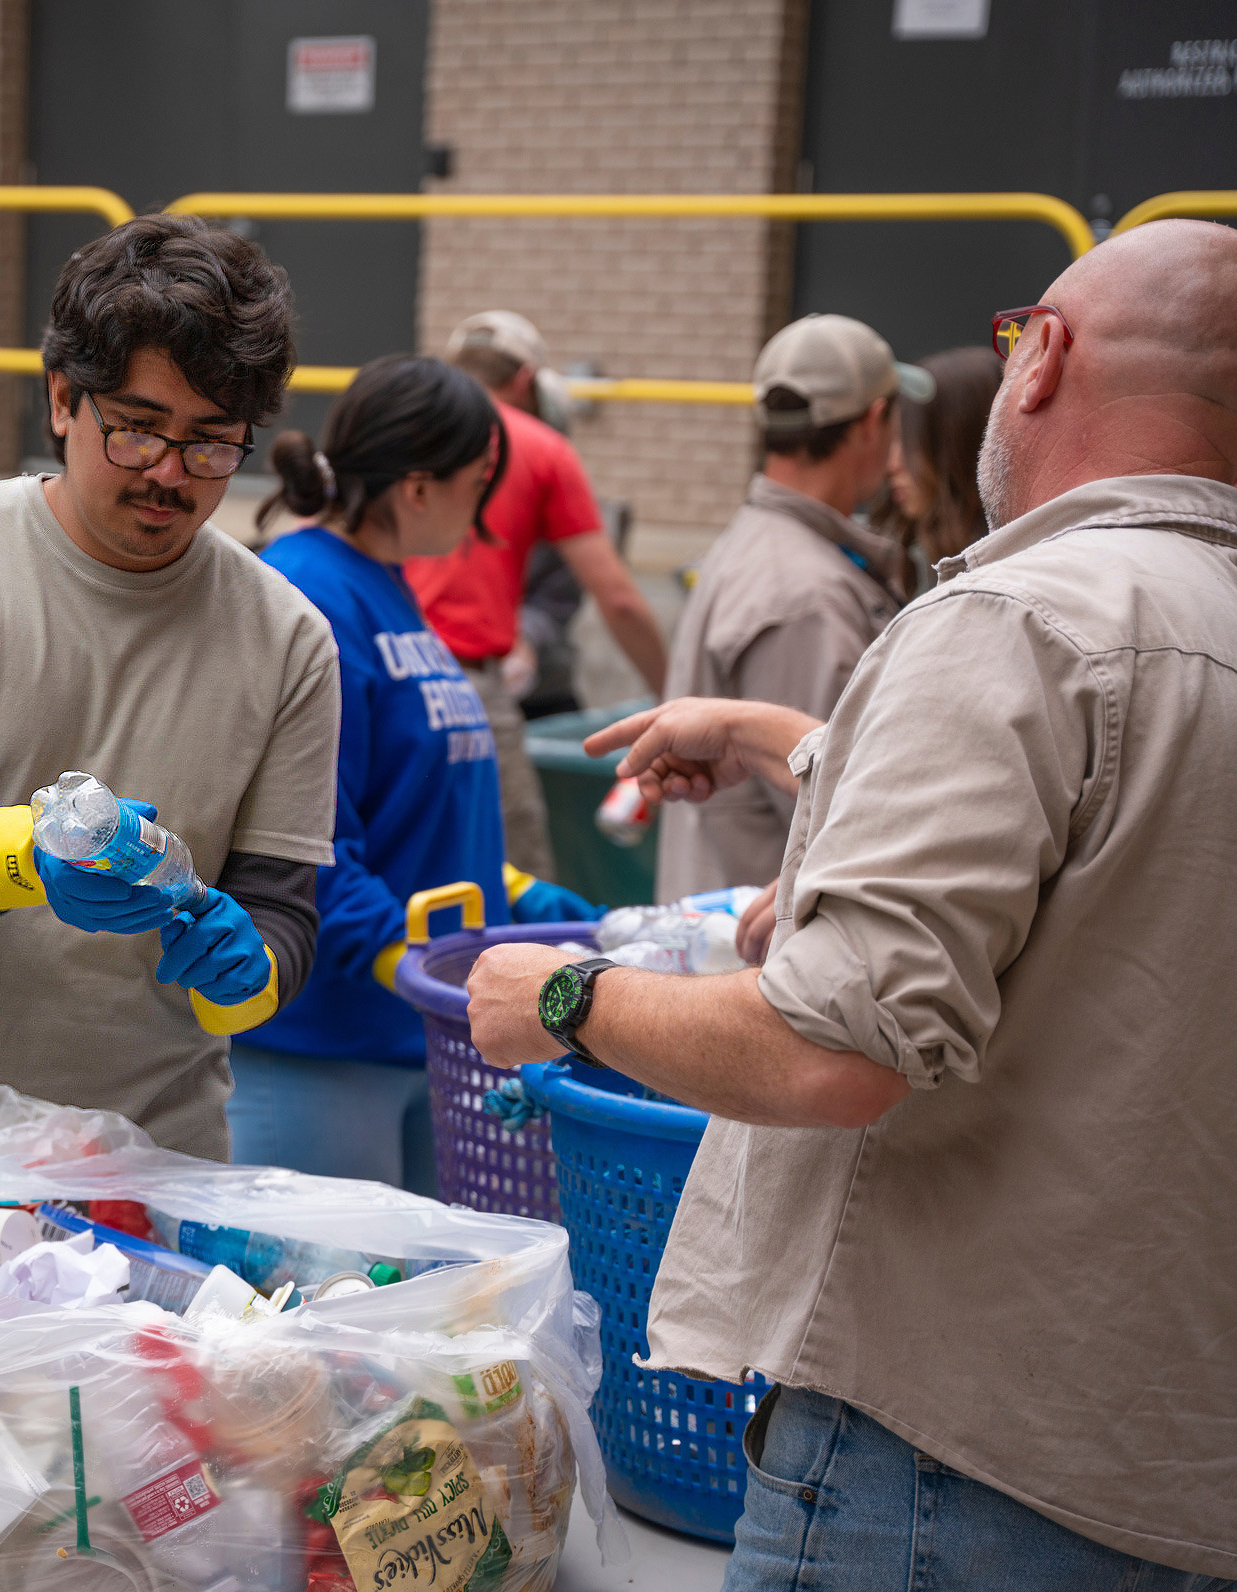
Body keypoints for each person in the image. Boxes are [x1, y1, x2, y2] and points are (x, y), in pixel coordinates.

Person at [466, 219, 1237, 1588]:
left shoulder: (1019, 621)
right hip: (1164, 1460)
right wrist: (791, 743)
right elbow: (1126, 830)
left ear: (1043, 354)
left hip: (948, 1462)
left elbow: (834, 1052)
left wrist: (567, 1000)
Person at [0, 214, 341, 1159]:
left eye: (213, 444)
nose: (171, 473)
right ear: (61, 399)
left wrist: (249, 972)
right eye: (137, 431)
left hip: (146, 1156)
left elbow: (283, 910)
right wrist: (30, 858)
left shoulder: (289, 637)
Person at [234, 355, 595, 1192]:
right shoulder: (311, 596)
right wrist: (444, 972)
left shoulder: (387, 590)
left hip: (418, 1026)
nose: (486, 518)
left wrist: (511, 897)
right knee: (333, 1316)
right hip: (326, 1046)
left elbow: (405, 804)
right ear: (421, 487)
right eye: (481, 486)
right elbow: (301, 841)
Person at [654, 314, 931, 899]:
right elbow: (840, 816)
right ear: (874, 422)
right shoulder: (804, 592)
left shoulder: (766, 545)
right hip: (766, 963)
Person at [405, 310, 669, 879]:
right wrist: (677, 696)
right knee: (512, 871)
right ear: (526, 379)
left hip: (381, 668)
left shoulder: (403, 435)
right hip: (468, 685)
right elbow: (617, 599)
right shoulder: (539, 447)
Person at [877, 343, 1003, 575]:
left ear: (960, 446)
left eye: (909, 442)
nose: (892, 465)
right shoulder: (903, 559)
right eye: (893, 440)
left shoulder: (1003, 573)